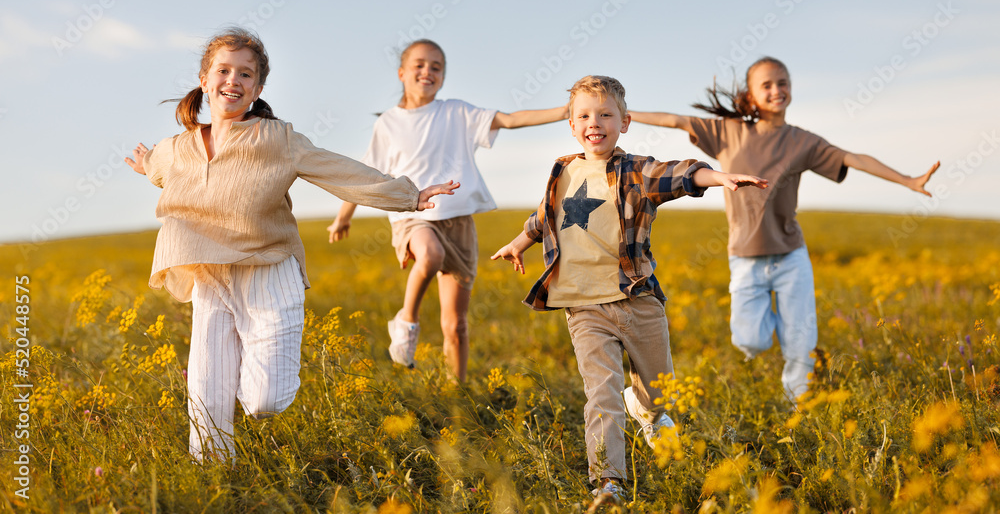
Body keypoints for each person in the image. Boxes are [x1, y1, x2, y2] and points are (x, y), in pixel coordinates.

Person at [125, 28, 457, 461]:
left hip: (269, 269)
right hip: (210, 272)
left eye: (245, 74)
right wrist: (146, 164)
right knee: (206, 390)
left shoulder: (278, 139)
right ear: (204, 80)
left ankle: (250, 374)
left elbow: (340, 171)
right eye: (223, 71)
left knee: (265, 400)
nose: (233, 80)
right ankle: (212, 476)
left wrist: (408, 196)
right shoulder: (176, 148)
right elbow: (159, 168)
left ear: (258, 88)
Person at [491, 75, 766, 501]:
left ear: (625, 122)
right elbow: (545, 216)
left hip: (636, 299)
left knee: (659, 390)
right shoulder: (563, 170)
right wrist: (518, 242)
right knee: (601, 395)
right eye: (583, 115)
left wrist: (717, 176)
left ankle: (647, 410)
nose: (593, 122)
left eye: (605, 114)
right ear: (571, 123)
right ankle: (608, 482)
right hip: (583, 306)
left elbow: (679, 174)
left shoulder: (636, 171)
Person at [630, 56, 940, 404]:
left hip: (791, 256)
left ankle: (799, 408)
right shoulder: (728, 132)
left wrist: (908, 180)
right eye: (767, 85)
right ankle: (786, 325)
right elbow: (674, 119)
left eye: (783, 83)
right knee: (750, 340)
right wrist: (626, 114)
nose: (777, 90)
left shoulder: (802, 141)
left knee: (800, 344)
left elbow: (854, 158)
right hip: (745, 258)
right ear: (751, 94)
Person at [328, 39, 567, 383]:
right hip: (413, 218)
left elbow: (512, 120)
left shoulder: (457, 112)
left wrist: (568, 110)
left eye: (436, 67)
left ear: (443, 77)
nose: (428, 72)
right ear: (402, 73)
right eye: (420, 65)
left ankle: (458, 392)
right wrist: (343, 216)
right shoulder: (389, 123)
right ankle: (406, 322)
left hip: (458, 224)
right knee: (431, 254)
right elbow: (368, 175)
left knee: (455, 325)